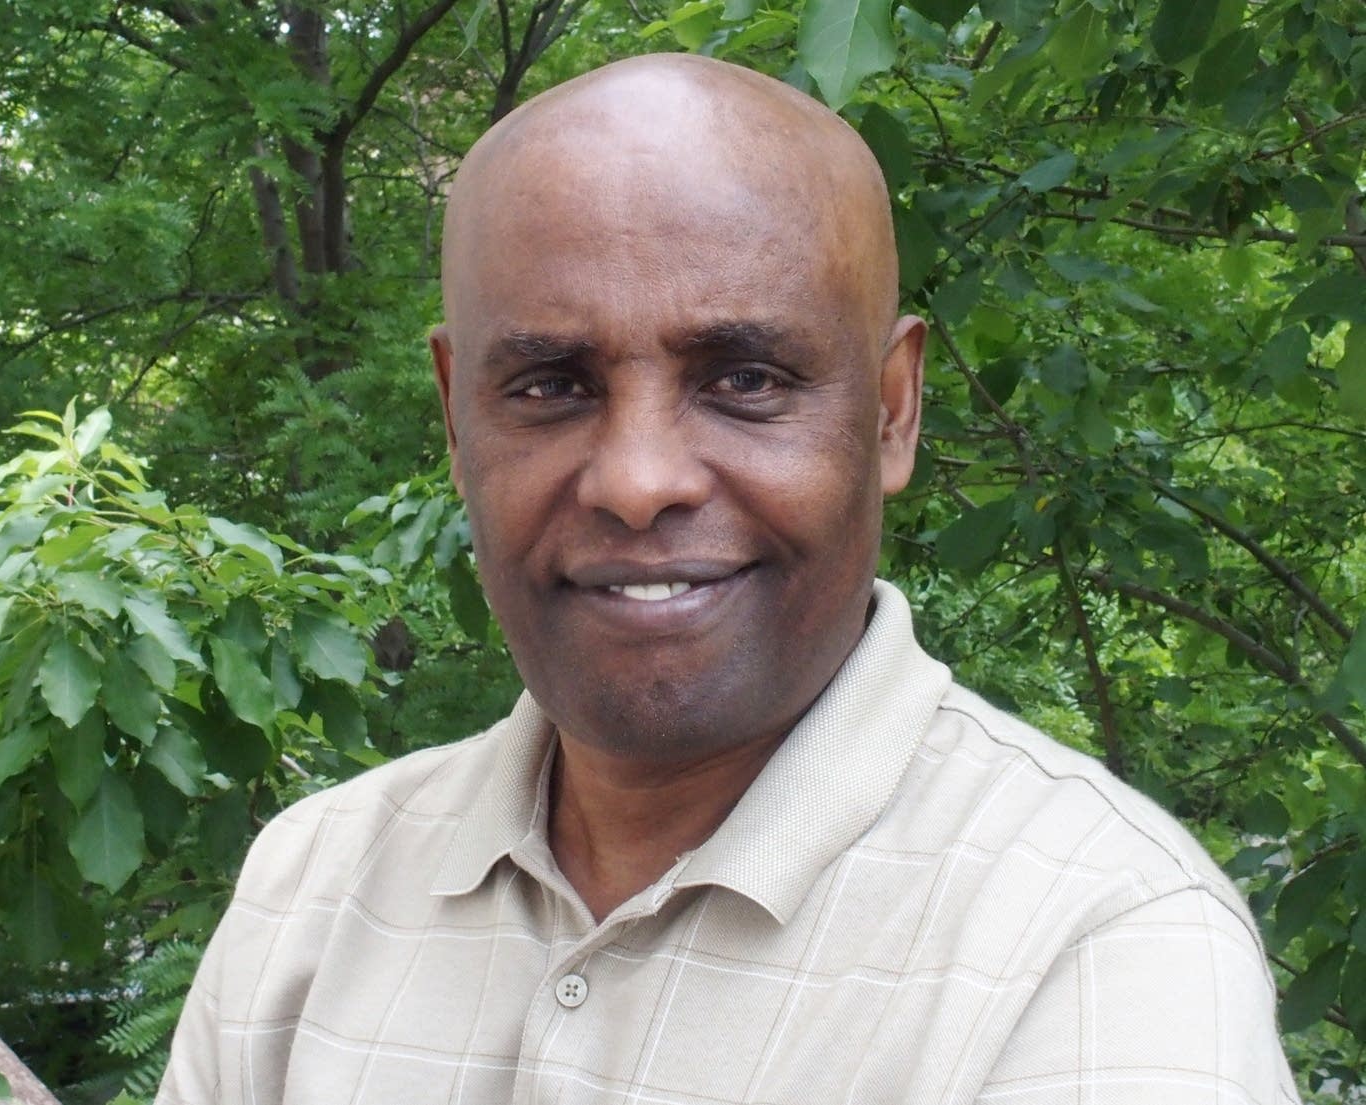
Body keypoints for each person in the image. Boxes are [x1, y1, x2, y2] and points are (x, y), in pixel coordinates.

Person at [158, 53, 1301, 1104]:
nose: (637, 480)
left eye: (746, 378)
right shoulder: (311, 887)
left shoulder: (1095, 944)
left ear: (892, 410)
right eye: (551, 385)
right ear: (454, 419)